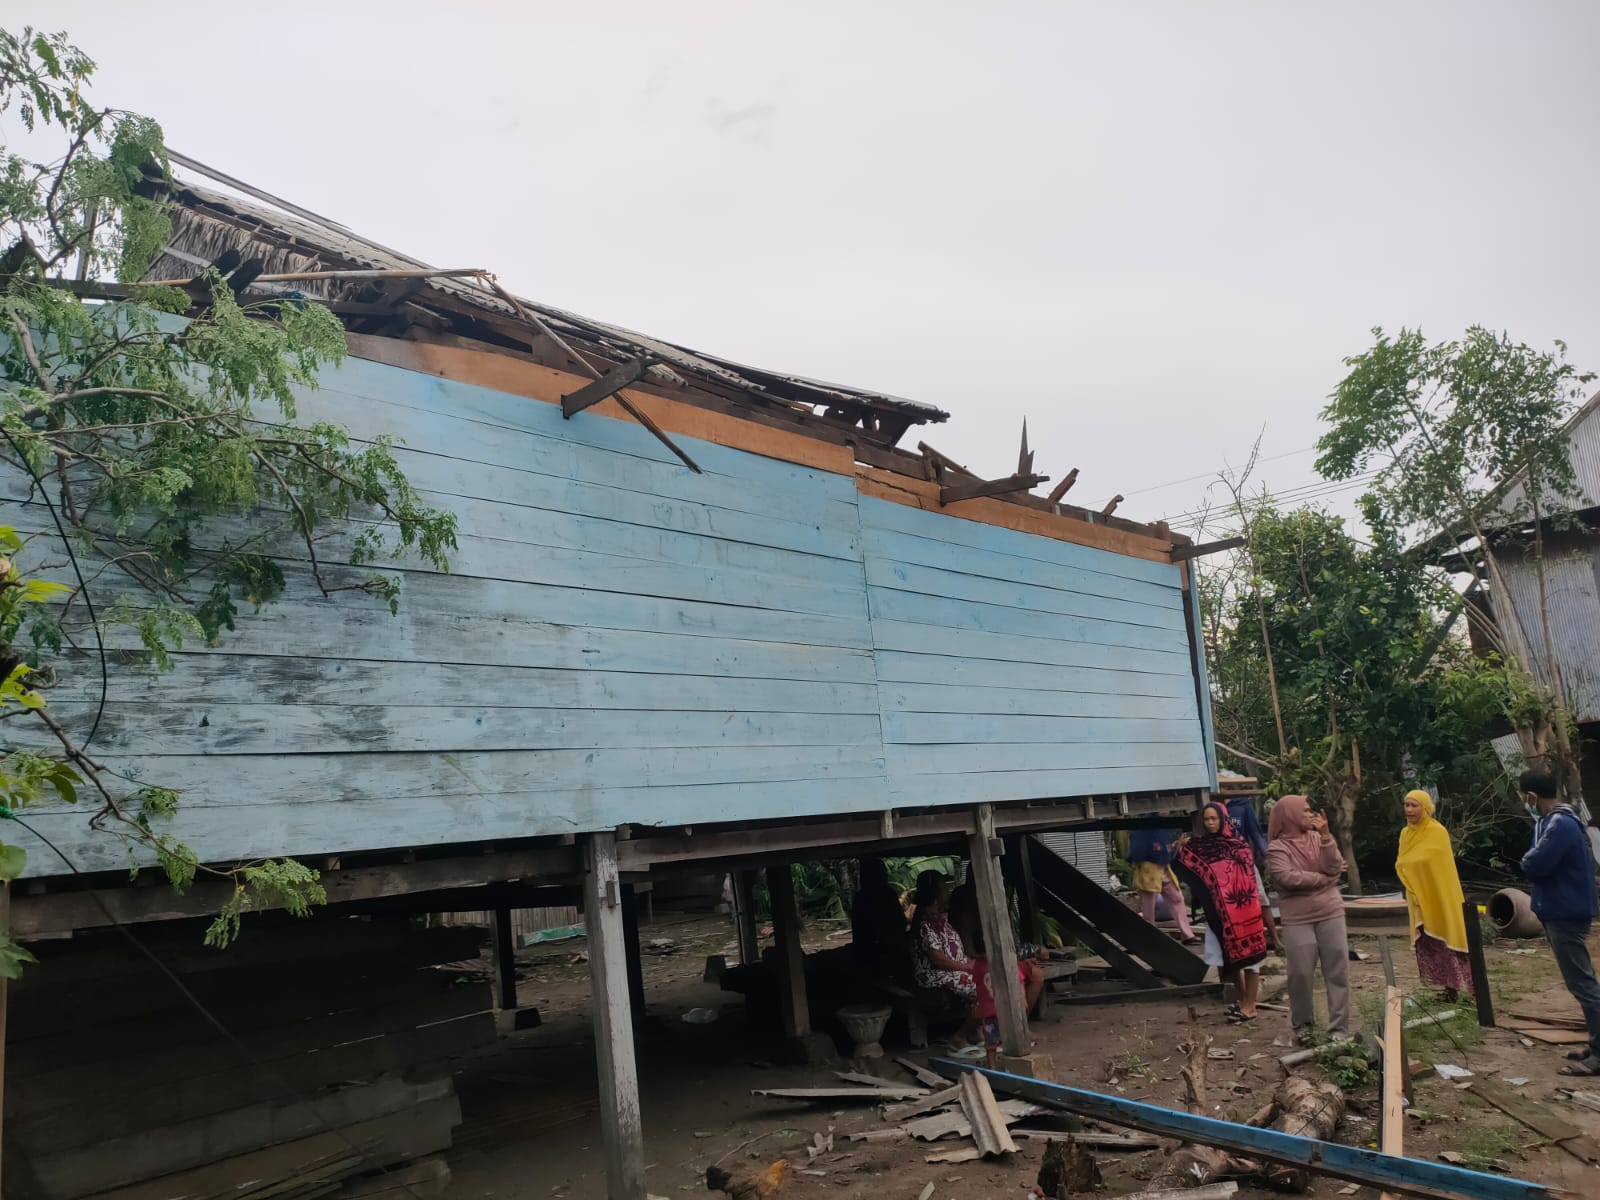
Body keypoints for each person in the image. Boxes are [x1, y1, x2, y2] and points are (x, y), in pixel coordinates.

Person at [1518, 769, 1600, 1077]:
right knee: (1581, 982)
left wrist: (1529, 861)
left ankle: (1599, 1054)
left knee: (1583, 984)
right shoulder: (1552, 822)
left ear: (1532, 797)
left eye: (1522, 794)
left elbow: (1534, 863)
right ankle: (1595, 1044)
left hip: (1566, 912)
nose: (1522, 800)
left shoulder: (1560, 824)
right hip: (1559, 909)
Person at [1265, 794, 1350, 1042]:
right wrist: (1324, 880)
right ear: (1289, 815)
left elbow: (1334, 866)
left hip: (1331, 911)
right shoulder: (1277, 848)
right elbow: (1288, 878)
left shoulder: (1318, 838)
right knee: (1300, 974)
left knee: (1338, 971)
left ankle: (1339, 1030)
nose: (1310, 814)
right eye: (1305, 810)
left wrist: (1326, 837)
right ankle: (1303, 1027)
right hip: (1298, 918)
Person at [1175, 800, 1269, 1022]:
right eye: (1206, 819)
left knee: (1250, 961)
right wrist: (1181, 847)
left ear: (1223, 819)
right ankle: (1244, 1001)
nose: (1210, 823)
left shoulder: (1240, 847)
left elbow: (1247, 882)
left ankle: (1250, 1006)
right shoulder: (1200, 847)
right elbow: (1182, 863)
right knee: (1229, 961)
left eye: (1214, 818)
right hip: (1219, 915)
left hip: (1244, 913)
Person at [1394, 789, 1473, 1000]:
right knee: (1430, 942)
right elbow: (1404, 860)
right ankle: (1447, 989)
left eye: (1414, 805)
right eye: (1406, 805)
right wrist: (1407, 865)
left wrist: (1407, 864)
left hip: (1439, 894)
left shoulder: (1436, 832)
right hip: (1418, 896)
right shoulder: (1406, 834)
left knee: (1448, 936)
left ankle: (1473, 991)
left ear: (1426, 808)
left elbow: (1428, 862)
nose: (1409, 810)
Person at [910, 870, 979, 1046]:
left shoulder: (937, 916)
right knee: (985, 987)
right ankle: (960, 1036)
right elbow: (938, 960)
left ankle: (976, 1030)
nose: (948, 891)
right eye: (943, 887)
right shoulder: (924, 920)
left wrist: (968, 962)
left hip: (952, 969)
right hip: (935, 974)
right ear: (935, 892)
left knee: (987, 978)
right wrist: (966, 967)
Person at [1225, 789, 1280, 951]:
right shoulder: (1213, 807)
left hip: (1244, 861)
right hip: (1223, 865)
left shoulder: (1242, 806)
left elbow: (1256, 833)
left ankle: (1275, 940)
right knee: (1232, 904)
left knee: (1261, 898)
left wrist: (1267, 857)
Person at [1128, 827, 1200, 944]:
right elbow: (1138, 848)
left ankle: (1187, 935)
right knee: (1149, 907)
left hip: (1164, 867)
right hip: (1148, 869)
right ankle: (1149, 938)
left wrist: (1176, 845)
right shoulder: (1143, 826)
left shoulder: (1165, 827)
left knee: (1177, 898)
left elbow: (1165, 847)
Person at [850, 857, 910, 982]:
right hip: (884, 948)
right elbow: (899, 921)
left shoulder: (860, 897)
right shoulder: (886, 894)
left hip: (870, 948)